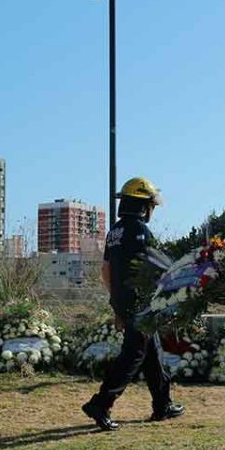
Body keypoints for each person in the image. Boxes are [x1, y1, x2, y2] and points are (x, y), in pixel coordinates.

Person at [82, 177, 184, 430]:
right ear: (142, 206)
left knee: (152, 352)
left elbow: (105, 270)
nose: (152, 210)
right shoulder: (141, 232)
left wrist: (117, 302)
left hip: (123, 299)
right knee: (134, 354)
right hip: (141, 303)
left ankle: (163, 404)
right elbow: (156, 269)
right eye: (150, 205)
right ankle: (101, 403)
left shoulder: (114, 231)